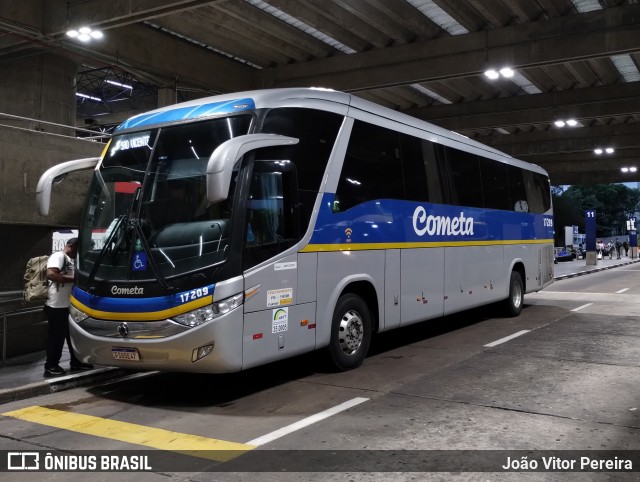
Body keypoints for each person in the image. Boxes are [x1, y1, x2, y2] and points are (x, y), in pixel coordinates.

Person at [43, 238, 93, 377]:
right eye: (79, 249)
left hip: (69, 305)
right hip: (56, 306)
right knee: (56, 337)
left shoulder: (71, 260)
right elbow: (51, 274)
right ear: (71, 246)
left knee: (72, 336)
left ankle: (77, 362)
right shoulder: (59, 256)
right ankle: (51, 365)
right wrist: (74, 279)